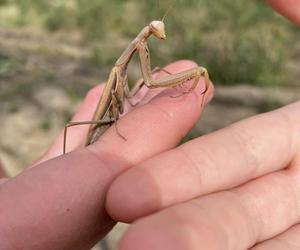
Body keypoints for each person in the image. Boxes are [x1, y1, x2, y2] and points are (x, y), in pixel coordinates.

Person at [0, 0, 299, 249]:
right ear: (147, 33)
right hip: (102, 125)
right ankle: (68, 161)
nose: (160, 33)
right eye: (156, 30)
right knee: (77, 125)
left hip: (115, 119)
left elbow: (150, 78)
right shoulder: (121, 67)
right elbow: (153, 82)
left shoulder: (134, 56)